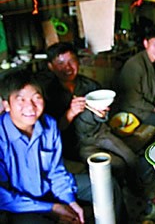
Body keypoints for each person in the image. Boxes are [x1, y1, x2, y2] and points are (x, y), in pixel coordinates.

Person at [38, 42, 143, 195]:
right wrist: (70, 113)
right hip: (77, 145)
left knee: (131, 158)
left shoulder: (90, 86)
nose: (68, 67)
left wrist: (102, 115)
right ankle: (117, 196)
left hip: (100, 134)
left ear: (78, 62)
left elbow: (104, 116)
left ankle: (138, 194)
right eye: (60, 63)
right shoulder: (48, 94)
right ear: (51, 66)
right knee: (117, 164)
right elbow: (52, 132)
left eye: (72, 61)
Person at [0, 71, 90, 223]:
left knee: (106, 185)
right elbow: (3, 197)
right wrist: (51, 208)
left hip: (50, 191)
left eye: (36, 98)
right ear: (7, 105)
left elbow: (57, 171)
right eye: (20, 100)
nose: (30, 107)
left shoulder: (50, 125)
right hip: (18, 205)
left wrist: (70, 202)